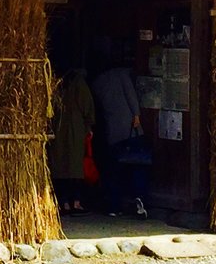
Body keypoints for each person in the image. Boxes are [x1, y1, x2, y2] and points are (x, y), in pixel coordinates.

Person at [90, 47, 151, 218]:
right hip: (131, 129)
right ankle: (139, 198)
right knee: (138, 165)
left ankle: (113, 206)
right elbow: (131, 96)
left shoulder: (96, 83)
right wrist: (137, 115)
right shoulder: (122, 75)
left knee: (113, 170)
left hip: (112, 130)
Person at [49, 67, 94, 214]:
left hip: (58, 128)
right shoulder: (79, 83)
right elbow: (88, 108)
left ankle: (64, 203)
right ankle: (76, 202)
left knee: (60, 166)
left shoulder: (55, 82)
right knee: (75, 167)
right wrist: (89, 126)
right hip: (76, 129)